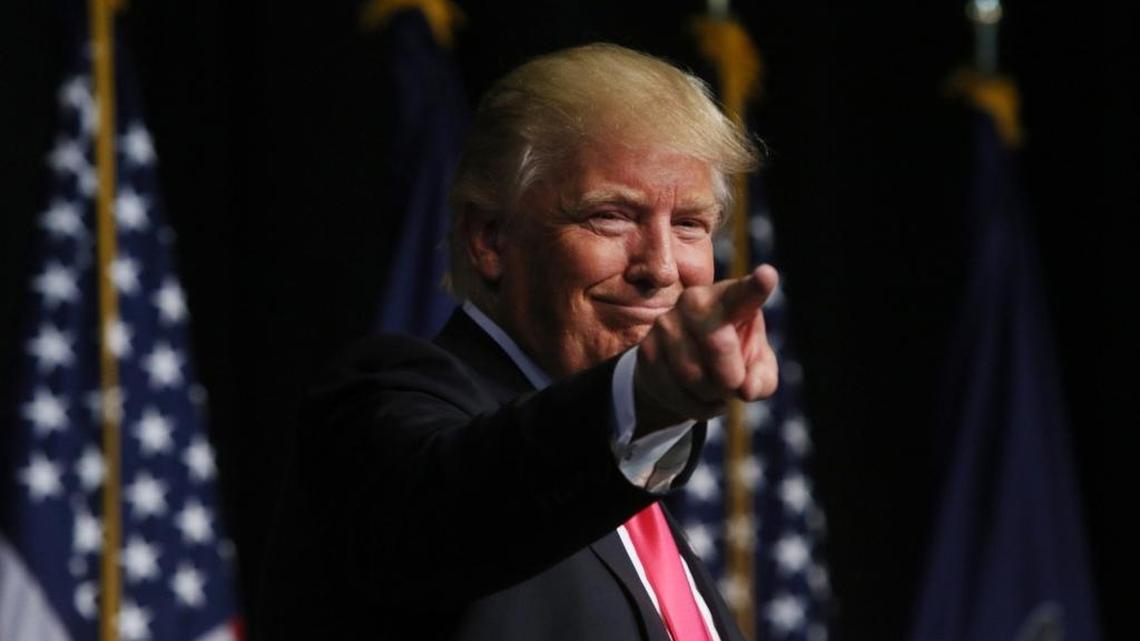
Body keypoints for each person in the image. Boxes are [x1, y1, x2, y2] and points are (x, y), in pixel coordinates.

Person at [257, 43, 779, 641]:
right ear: (491, 240)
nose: (661, 268)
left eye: (689, 224)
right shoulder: (379, 411)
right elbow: (459, 505)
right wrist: (647, 398)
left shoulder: (626, 493)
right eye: (611, 215)